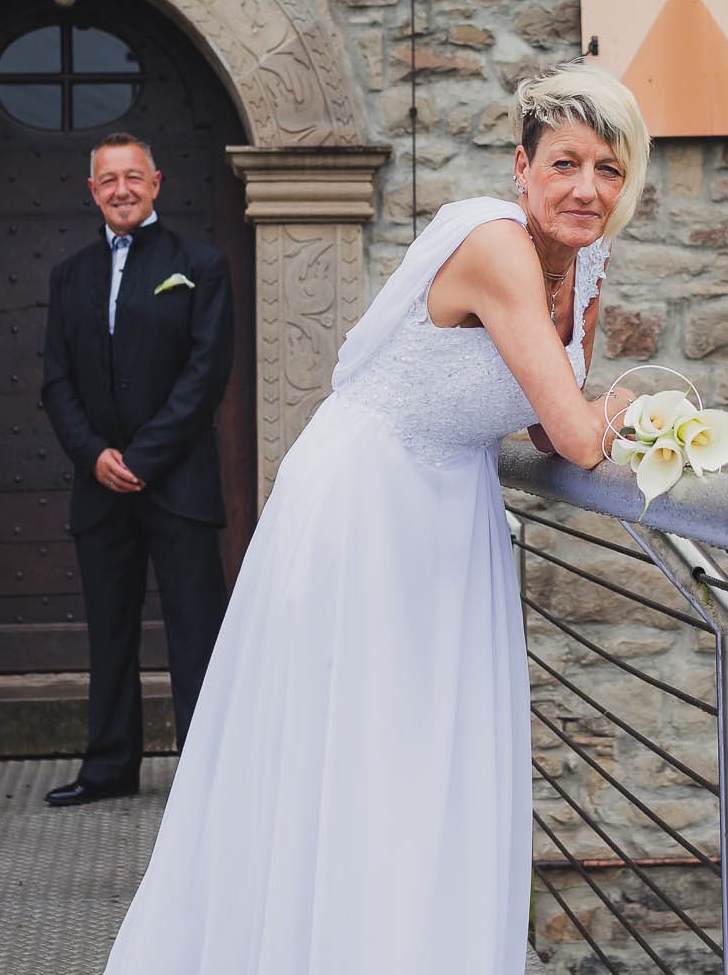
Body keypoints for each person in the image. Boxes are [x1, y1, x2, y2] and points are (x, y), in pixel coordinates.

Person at [100, 63, 650, 973]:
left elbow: (539, 424)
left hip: (449, 510)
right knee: (361, 747)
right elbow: (577, 433)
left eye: (609, 168)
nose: (587, 189)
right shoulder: (500, 244)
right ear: (522, 169)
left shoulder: (582, 262)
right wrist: (640, 406)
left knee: (427, 756)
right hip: (368, 498)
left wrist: (592, 417)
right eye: (564, 164)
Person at [41, 133, 236, 808]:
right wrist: (94, 455)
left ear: (156, 183)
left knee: (195, 633)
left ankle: (207, 777)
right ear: (93, 192)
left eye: (132, 176)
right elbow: (55, 381)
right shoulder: (69, 275)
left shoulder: (200, 266)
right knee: (110, 632)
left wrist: (144, 458)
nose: (120, 189)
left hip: (178, 483)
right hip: (99, 489)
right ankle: (108, 768)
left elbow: (205, 375)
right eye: (107, 180)